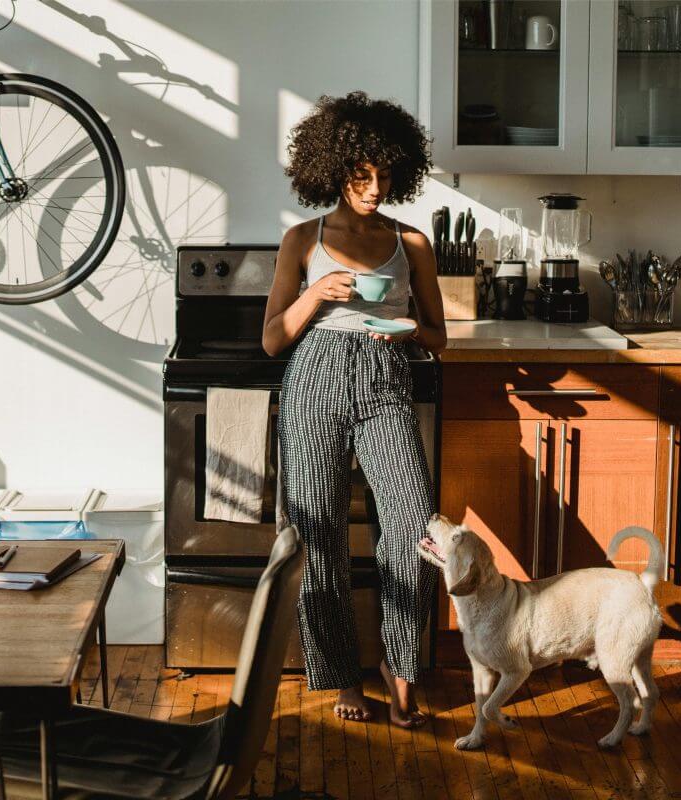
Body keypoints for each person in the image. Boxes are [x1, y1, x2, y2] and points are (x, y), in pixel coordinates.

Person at [261, 90, 446, 728]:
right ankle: (342, 679)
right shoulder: (301, 240)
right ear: (335, 172)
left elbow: (439, 335)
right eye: (362, 176)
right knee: (321, 537)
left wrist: (407, 331)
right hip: (314, 381)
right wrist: (317, 293)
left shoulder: (411, 242)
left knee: (412, 528)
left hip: (387, 383)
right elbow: (273, 339)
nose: (374, 188)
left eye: (385, 175)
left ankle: (402, 682)